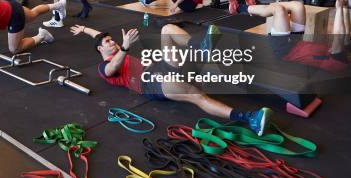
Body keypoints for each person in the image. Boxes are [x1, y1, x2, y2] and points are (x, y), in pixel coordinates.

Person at [70, 24, 271, 136]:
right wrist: (124, 47)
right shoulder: (104, 67)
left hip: (158, 67)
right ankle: (249, 119)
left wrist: (85, 30)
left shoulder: (106, 44)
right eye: (108, 42)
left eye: (112, 39)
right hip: (150, 83)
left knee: (167, 29)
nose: (112, 41)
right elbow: (113, 67)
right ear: (100, 50)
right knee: (197, 96)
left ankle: (199, 48)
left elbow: (99, 35)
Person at [229, 0, 351, 72]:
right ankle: (256, 6)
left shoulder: (339, 63)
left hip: (285, 50)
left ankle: (238, 8)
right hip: (297, 42)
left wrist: (338, 8)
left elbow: (339, 36)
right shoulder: (346, 53)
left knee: (279, 10)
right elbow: (345, 33)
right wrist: (344, 6)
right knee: (298, 6)